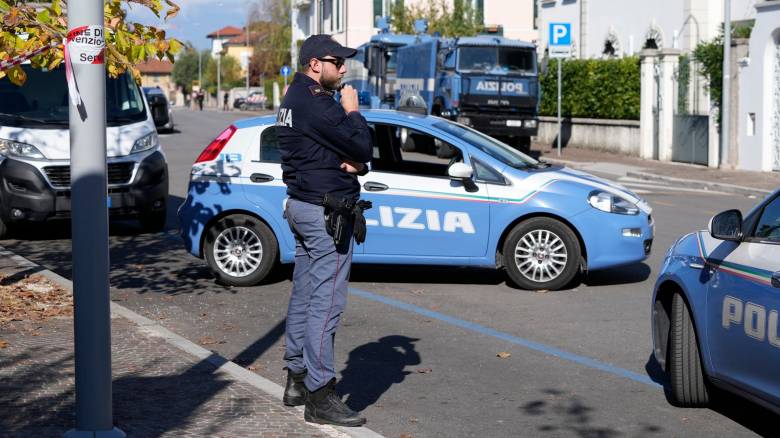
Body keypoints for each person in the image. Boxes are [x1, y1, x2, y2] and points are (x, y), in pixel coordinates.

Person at [277, 34, 372, 427]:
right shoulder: (318, 104)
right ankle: (320, 394)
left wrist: (355, 164)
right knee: (325, 303)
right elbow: (362, 146)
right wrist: (353, 111)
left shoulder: (293, 98)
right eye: (338, 61)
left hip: (302, 206)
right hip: (325, 214)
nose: (345, 69)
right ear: (316, 64)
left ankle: (296, 377)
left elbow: (344, 155)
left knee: (304, 294)